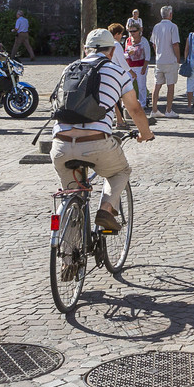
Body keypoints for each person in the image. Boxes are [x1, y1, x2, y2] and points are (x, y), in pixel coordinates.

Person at [51, 27, 153, 237]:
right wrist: (145, 133)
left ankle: (68, 260)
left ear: (86, 49)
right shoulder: (118, 72)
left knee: (72, 192)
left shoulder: (69, 69)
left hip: (60, 144)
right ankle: (106, 211)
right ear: (111, 51)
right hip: (96, 143)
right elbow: (134, 109)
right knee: (119, 172)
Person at [149, 6, 181, 117]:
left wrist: (158, 53)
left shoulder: (156, 27)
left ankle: (154, 110)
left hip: (159, 60)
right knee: (170, 86)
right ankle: (168, 110)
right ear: (170, 14)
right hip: (170, 60)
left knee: (157, 85)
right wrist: (178, 58)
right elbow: (175, 44)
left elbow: (153, 44)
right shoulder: (173, 26)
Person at [122, 23, 149, 105]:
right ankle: (126, 103)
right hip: (130, 67)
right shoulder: (128, 40)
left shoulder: (144, 41)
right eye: (130, 31)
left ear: (139, 31)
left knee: (142, 86)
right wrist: (128, 54)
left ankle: (142, 103)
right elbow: (125, 54)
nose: (132, 33)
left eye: (134, 31)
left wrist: (144, 67)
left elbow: (147, 55)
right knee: (127, 86)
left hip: (140, 66)